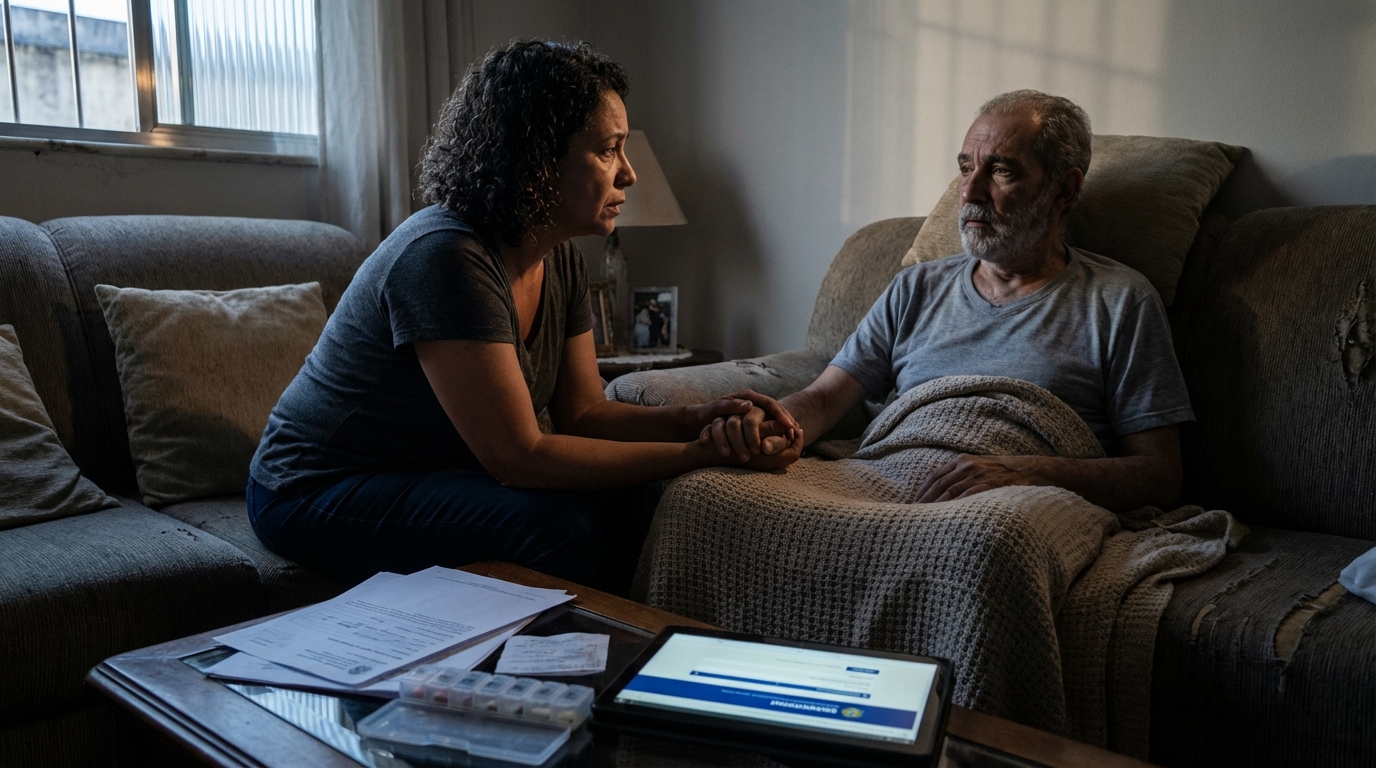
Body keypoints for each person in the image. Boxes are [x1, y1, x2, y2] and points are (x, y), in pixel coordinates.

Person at [246, 40, 801, 592]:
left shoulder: (558, 255)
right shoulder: (446, 257)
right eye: (609, 150)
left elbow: (583, 412)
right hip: (310, 488)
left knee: (640, 498)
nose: (628, 174)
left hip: (425, 471)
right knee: (560, 530)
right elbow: (520, 456)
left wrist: (700, 417)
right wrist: (693, 454)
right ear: (538, 157)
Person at [718, 90, 1193, 512]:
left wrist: (1028, 471)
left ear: (1063, 190)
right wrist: (772, 424)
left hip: (1015, 504)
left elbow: (1160, 474)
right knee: (706, 493)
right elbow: (824, 398)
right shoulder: (914, 288)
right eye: (966, 167)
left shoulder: (1119, 300)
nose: (969, 191)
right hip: (891, 475)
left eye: (1001, 170)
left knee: (989, 543)